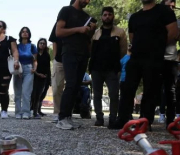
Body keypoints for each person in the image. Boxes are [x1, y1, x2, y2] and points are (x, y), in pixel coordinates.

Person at [113, 0, 178, 129]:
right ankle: (123, 119)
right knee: (127, 89)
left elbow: (173, 32)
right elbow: (132, 37)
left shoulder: (164, 11)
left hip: (154, 58)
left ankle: (145, 121)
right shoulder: (135, 17)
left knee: (150, 90)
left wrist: (158, 47)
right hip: (136, 57)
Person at [55, 0, 96, 130]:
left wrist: (91, 30)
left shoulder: (86, 16)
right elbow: (59, 32)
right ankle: (61, 118)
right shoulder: (66, 10)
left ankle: (68, 117)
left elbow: (87, 37)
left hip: (83, 54)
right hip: (69, 52)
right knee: (71, 84)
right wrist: (79, 29)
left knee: (77, 86)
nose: (87, 1)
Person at [89, 7, 127, 127]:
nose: (107, 17)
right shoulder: (95, 34)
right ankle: (99, 119)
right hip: (96, 69)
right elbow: (91, 50)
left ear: (113, 16)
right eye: (105, 15)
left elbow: (123, 51)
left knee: (114, 95)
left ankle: (112, 119)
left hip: (112, 69)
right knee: (97, 95)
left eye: (109, 14)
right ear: (101, 17)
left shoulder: (120, 32)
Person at [157, 0, 180, 127]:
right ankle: (147, 119)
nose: (171, 8)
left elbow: (176, 36)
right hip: (155, 57)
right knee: (152, 88)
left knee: (170, 91)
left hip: (170, 58)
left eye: (173, 6)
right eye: (169, 6)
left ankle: (170, 121)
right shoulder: (155, 17)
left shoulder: (177, 21)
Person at [13, 27, 37, 119]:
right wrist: (17, 70)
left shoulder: (32, 46)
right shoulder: (17, 46)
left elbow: (35, 60)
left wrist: (34, 68)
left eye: (27, 32)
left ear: (29, 34)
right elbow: (14, 58)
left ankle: (26, 112)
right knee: (17, 92)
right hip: (18, 68)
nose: (25, 33)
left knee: (26, 92)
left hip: (28, 69)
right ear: (20, 34)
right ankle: (18, 112)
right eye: (23, 32)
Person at [48, 22, 65, 123]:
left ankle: (66, 113)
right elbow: (54, 40)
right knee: (56, 87)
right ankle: (56, 112)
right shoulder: (59, 22)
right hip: (59, 60)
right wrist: (55, 57)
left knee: (71, 88)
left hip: (73, 59)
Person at [31, 38, 50, 119]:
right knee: (33, 94)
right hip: (34, 76)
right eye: (40, 43)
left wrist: (47, 77)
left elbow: (48, 67)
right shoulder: (35, 54)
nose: (42, 45)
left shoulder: (47, 55)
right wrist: (37, 73)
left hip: (43, 77)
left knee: (39, 95)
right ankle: (30, 110)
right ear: (38, 44)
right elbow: (32, 65)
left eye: (43, 43)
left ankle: (36, 112)